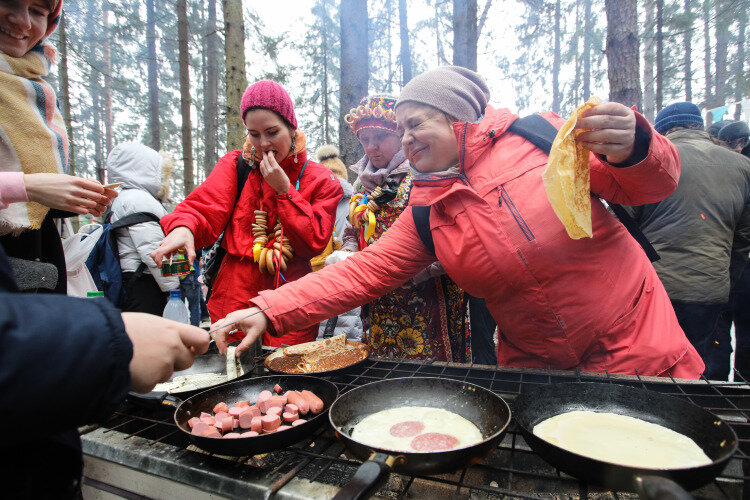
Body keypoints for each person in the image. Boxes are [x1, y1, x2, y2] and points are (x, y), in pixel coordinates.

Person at [212, 66, 704, 379]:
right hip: (538, 370)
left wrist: (637, 145)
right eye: (399, 128)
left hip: (637, 349)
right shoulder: (429, 206)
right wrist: (268, 310)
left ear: (457, 118)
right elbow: (365, 271)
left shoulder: (543, 139)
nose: (403, 140)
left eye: (414, 124)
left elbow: (651, 185)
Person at [152, 80, 342, 347]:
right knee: (232, 372)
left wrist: (285, 191)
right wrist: (183, 228)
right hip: (234, 291)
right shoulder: (235, 165)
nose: (263, 144)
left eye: (272, 132)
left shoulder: (320, 178)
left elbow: (313, 242)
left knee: (287, 374)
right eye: (254, 134)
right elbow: (203, 208)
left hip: (291, 295)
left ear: (291, 126)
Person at [332, 94, 474, 362]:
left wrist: (413, 271)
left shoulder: (424, 175)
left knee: (431, 373)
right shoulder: (362, 186)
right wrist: (349, 253)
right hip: (378, 298)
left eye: (380, 137)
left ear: (398, 135)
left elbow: (453, 237)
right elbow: (353, 230)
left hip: (426, 298)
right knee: (385, 370)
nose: (371, 147)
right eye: (365, 139)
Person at [0, 0, 116, 293]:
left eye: (38, 11)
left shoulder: (37, 91)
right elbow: (27, 188)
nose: (24, 23)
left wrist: (72, 197)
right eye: (10, 2)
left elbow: (32, 211)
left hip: (35, 280)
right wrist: (28, 186)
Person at [629, 103, 750, 380]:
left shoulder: (652, 160)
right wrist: (723, 278)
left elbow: (623, 224)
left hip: (655, 289)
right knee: (699, 363)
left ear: (664, 130)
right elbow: (743, 238)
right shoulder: (743, 167)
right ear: (698, 125)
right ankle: (701, 416)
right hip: (709, 290)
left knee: (651, 367)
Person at [106, 142, 179, 315]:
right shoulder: (139, 199)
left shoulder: (123, 197)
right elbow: (154, 250)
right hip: (144, 282)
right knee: (150, 338)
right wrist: (173, 290)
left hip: (132, 279)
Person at [309, 145, 364, 340]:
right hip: (351, 279)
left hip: (317, 281)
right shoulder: (356, 203)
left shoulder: (312, 203)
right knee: (345, 338)